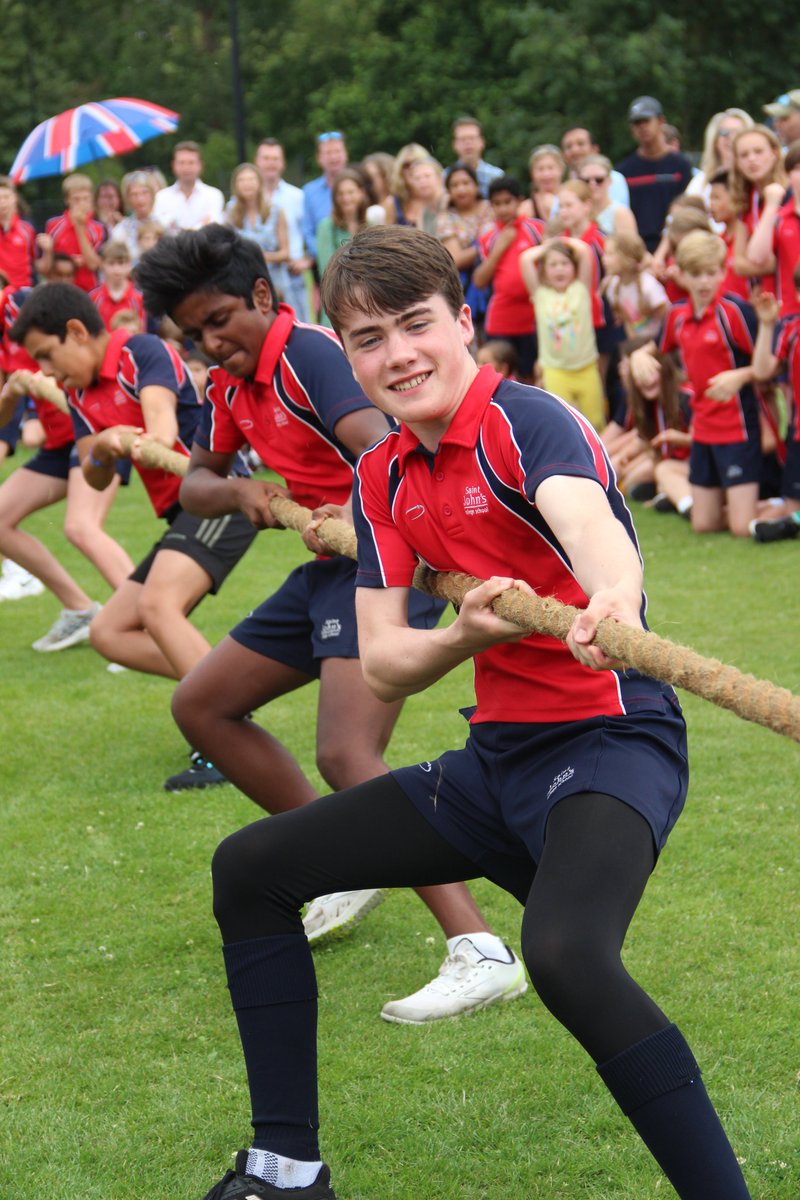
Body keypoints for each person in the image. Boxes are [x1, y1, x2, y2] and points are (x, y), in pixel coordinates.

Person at [195, 222, 752, 1200]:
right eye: (366, 340)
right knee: (250, 870)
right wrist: (461, 639)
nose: (396, 354)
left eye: (414, 325)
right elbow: (384, 663)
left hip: (610, 743)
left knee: (566, 952)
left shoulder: (525, 421)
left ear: (462, 322)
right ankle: (286, 1169)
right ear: (348, 354)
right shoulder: (381, 476)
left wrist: (610, 600)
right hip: (493, 762)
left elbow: (587, 522)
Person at [136, 221, 524, 1021]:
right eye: (193, 334)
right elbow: (197, 486)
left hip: (386, 556)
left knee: (349, 752)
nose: (211, 343)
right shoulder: (227, 387)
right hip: (325, 568)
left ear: (262, 297)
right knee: (201, 705)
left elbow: (384, 444)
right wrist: (249, 494)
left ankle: (480, 949)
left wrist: (343, 508)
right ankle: (349, 858)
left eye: (219, 321)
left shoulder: (309, 353)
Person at [10, 281, 259, 789]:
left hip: (221, 493)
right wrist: (102, 447)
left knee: (156, 609)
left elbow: (161, 432)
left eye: (47, 355)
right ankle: (229, 691)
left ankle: (223, 738)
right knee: (109, 633)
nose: (48, 372)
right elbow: (94, 472)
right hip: (183, 514)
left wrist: (118, 441)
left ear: (76, 332)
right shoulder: (78, 392)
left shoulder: (141, 351)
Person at [0, 286, 134, 650]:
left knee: (81, 527)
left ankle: (144, 623)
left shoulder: (17, 304)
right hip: (58, 444)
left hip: (92, 431)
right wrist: (11, 393)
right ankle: (79, 610)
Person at [631, 230, 760, 538]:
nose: (704, 282)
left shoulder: (734, 312)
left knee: (742, 529)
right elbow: (658, 347)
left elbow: (770, 364)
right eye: (696, 274)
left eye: (711, 273)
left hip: (738, 426)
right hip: (702, 428)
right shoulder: (677, 315)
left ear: (722, 271)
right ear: (683, 276)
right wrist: (639, 354)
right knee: (703, 524)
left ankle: (780, 510)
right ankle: (745, 506)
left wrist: (740, 375)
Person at [520, 236, 606, 429]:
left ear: (574, 268)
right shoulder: (540, 294)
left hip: (586, 368)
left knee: (596, 421)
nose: (559, 268)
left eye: (565, 263)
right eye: (553, 264)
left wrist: (560, 240)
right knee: (564, 424)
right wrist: (549, 247)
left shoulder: (581, 288)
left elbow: (584, 249)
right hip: (555, 371)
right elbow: (525, 259)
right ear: (543, 271)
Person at [473, 175, 544, 381]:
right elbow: (479, 280)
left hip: (533, 317)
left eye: (508, 202)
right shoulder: (488, 237)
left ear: (519, 201)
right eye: (497, 203)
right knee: (498, 376)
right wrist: (501, 247)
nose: (503, 208)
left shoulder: (537, 229)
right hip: (502, 319)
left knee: (531, 374)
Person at [749, 280, 800, 539]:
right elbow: (761, 372)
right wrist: (767, 325)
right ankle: (790, 518)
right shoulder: (791, 330)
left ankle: (789, 522)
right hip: (798, 436)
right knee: (792, 505)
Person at [616, 97, 693, 252]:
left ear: (661, 121)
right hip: (637, 252)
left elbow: (686, 211)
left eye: (646, 121)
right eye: (637, 123)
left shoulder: (680, 165)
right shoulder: (624, 170)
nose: (642, 127)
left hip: (674, 248)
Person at [743, 137, 800, 319]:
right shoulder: (781, 217)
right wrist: (771, 205)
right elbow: (756, 257)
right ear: (788, 175)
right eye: (797, 169)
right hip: (789, 315)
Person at [254, 139, 310, 320]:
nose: (271, 163)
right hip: (257, 277)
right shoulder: (244, 200)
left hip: (292, 275)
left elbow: (309, 233)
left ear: (283, 163)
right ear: (257, 161)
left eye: (275, 158)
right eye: (266, 158)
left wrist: (307, 259)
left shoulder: (298, 197)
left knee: (300, 328)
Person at [730, 125, 788, 298]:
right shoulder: (745, 200)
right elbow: (738, 264)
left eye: (758, 151)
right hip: (766, 298)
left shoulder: (790, 193)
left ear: (775, 153)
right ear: (737, 162)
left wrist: (776, 261)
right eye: (744, 155)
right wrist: (775, 262)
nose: (752, 159)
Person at [436, 162, 494, 326]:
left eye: (466, 183)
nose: (461, 189)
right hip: (468, 287)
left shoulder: (493, 208)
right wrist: (491, 245)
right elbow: (456, 258)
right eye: (455, 185)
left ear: (476, 185)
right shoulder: (446, 219)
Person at [315, 169, 373, 326]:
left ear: (361, 193)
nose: (346, 198)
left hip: (371, 298)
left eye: (351, 192)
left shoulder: (372, 223)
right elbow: (326, 268)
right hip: (338, 298)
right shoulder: (327, 227)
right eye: (341, 194)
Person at [42, 174, 107, 292]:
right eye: (76, 199)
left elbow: (93, 265)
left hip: (89, 290)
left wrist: (79, 227)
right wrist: (70, 262)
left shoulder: (99, 228)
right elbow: (47, 264)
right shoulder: (53, 225)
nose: (81, 203)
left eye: (86, 198)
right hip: (60, 289)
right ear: (67, 200)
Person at [225, 163, 290, 279]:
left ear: (259, 182)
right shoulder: (230, 211)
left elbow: (285, 253)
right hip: (242, 277)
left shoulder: (275, 210)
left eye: (251, 179)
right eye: (242, 180)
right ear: (235, 185)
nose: (247, 184)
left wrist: (260, 257)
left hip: (273, 277)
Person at [602, 232, 669, 339]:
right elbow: (627, 322)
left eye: (609, 254)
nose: (604, 259)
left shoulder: (648, 286)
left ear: (627, 258)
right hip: (636, 341)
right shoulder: (612, 287)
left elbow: (667, 319)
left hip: (657, 342)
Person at [684, 110, 753, 208]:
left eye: (738, 132)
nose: (731, 138)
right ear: (715, 141)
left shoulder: (756, 181)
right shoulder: (700, 183)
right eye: (724, 133)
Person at [152, 141, 225, 233]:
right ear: (174, 165)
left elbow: (212, 228)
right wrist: (200, 226)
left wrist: (176, 228)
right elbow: (159, 229)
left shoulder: (214, 195)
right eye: (181, 163)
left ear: (200, 165)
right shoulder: (161, 197)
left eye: (191, 163)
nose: (186, 167)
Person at [301, 132, 348, 264]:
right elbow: (308, 231)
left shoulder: (360, 185)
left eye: (337, 151)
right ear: (319, 158)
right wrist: (324, 253)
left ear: (345, 154)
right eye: (328, 153)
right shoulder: (309, 191)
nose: (333, 157)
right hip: (324, 265)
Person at [560, 127, 630, 207]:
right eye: (569, 146)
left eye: (580, 144)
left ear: (594, 149)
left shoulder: (614, 179)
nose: (575, 150)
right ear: (564, 155)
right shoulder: (564, 188)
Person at [576, 155, 638, 239]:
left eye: (599, 180)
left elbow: (630, 249)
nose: (592, 184)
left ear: (609, 181)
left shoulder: (620, 213)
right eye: (586, 180)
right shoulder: (575, 210)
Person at [90, 242, 145, 331]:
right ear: (102, 264)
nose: (116, 269)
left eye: (121, 263)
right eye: (111, 263)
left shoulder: (138, 298)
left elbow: (141, 331)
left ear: (129, 265)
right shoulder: (94, 297)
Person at [110, 170, 160, 264]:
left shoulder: (165, 223)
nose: (140, 199)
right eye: (134, 195)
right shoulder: (121, 230)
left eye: (145, 193)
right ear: (127, 198)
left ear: (152, 195)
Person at [450, 115, 503, 197]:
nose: (467, 143)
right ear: (454, 144)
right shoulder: (444, 177)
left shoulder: (496, 176)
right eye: (462, 139)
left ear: (482, 142)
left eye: (472, 138)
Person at [0, 176, 37, 288]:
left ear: (14, 198)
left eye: (6, 197)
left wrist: (48, 251)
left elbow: (35, 262)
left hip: (23, 292)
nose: (2, 202)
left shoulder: (27, 229)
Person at [519, 144, 564, 222]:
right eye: (540, 169)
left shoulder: (575, 199)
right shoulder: (526, 208)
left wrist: (555, 207)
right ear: (532, 173)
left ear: (561, 170)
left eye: (551, 168)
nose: (546, 174)